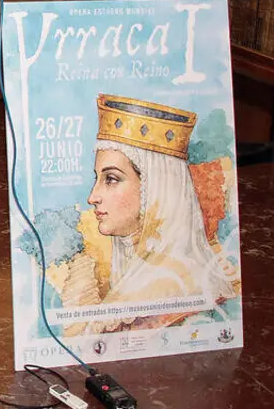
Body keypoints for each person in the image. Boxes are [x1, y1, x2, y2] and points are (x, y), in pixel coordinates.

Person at [76, 94, 239, 334]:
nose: (93, 197)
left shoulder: (168, 287)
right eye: (97, 178)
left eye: (111, 179)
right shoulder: (140, 277)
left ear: (155, 188)